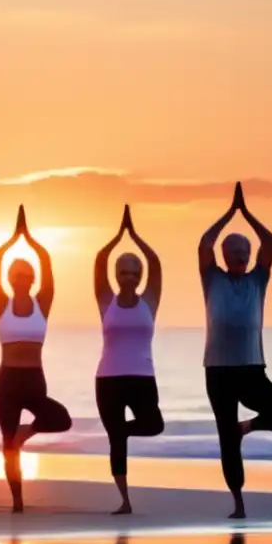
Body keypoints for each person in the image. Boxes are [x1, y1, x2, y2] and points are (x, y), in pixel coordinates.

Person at [198, 181, 272, 519]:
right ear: (225, 257)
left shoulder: (258, 280)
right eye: (234, 253)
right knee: (226, 438)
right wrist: (228, 213)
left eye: (244, 253)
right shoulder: (212, 279)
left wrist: (246, 212)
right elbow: (204, 243)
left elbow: (270, 242)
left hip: (252, 368)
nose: (240, 257)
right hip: (219, 370)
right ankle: (238, 504)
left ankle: (246, 427)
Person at [0, 205, 72, 513]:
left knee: (61, 419)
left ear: (32, 278)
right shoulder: (1, 302)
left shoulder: (42, 302)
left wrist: (32, 240)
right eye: (16, 274)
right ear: (10, 278)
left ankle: (29, 432)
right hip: (7, 380)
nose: (21, 278)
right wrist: (13, 239)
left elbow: (48, 263)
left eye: (26, 274)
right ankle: (18, 502)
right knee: (8, 446)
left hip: (34, 380)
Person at [93, 204, 165, 515]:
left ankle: (120, 431)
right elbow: (99, 262)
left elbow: (156, 263)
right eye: (124, 271)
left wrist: (134, 236)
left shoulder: (149, 300)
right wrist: (116, 238)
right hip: (108, 379)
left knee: (154, 424)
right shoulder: (106, 299)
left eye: (135, 272)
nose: (130, 276)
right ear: (116, 275)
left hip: (142, 378)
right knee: (116, 441)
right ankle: (124, 500)